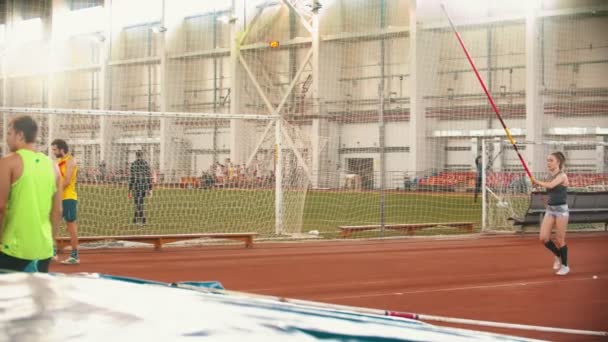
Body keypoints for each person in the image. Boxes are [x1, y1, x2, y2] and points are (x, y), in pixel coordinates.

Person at [0, 116, 62, 272]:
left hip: (13, 248)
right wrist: (52, 240)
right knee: (37, 295)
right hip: (44, 249)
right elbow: (57, 211)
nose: (6, 139)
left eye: (8, 133)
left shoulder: (8, 162)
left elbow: (1, 207)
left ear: (20, 135)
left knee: (9, 295)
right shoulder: (53, 166)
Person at [531, 151, 570, 276]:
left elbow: (551, 185)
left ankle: (565, 266)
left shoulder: (562, 176)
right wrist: (537, 187)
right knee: (543, 238)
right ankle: (558, 255)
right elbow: (549, 190)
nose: (548, 163)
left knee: (560, 239)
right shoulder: (549, 176)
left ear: (558, 162)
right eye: (547, 160)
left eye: (551, 160)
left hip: (561, 211)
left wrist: (536, 181)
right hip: (550, 209)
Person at [51, 139, 80, 264]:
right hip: (59, 198)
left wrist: (54, 192)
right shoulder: (58, 161)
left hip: (68, 197)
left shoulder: (71, 160)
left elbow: (67, 180)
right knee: (52, 225)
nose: (53, 152)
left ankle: (74, 255)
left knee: (70, 226)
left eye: (55, 150)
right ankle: (52, 253)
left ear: (62, 149)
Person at [129, 150, 152, 225]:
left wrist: (130, 189)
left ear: (136, 155)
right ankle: (140, 220)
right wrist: (149, 188)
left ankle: (137, 220)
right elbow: (149, 176)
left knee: (137, 203)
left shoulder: (133, 164)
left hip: (136, 186)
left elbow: (131, 177)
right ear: (142, 155)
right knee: (140, 202)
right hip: (143, 186)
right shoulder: (145, 164)